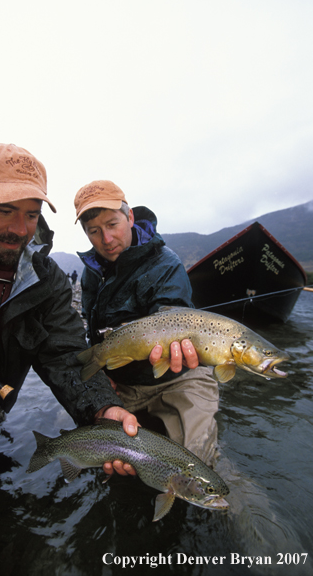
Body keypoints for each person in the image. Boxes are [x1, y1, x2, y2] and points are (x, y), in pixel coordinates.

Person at [0, 144, 137, 453]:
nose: (20, 230)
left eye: (32, 215)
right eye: (5, 211)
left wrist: (103, 409)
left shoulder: (47, 280)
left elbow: (65, 355)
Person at [74, 180, 220, 472]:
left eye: (113, 224)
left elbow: (172, 321)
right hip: (124, 384)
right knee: (99, 456)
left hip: (179, 378)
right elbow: (92, 332)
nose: (106, 238)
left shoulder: (166, 264)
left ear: (130, 218)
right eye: (94, 231)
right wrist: (101, 380)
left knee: (199, 466)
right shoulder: (91, 274)